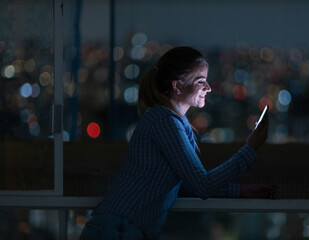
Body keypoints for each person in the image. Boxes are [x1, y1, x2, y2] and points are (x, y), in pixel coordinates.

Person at [79, 46, 272, 240]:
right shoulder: (166, 122)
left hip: (118, 228)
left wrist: (240, 191)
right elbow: (202, 185)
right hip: (119, 231)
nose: (209, 88)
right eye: (201, 81)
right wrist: (250, 148)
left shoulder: (166, 120)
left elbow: (182, 185)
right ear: (178, 86)